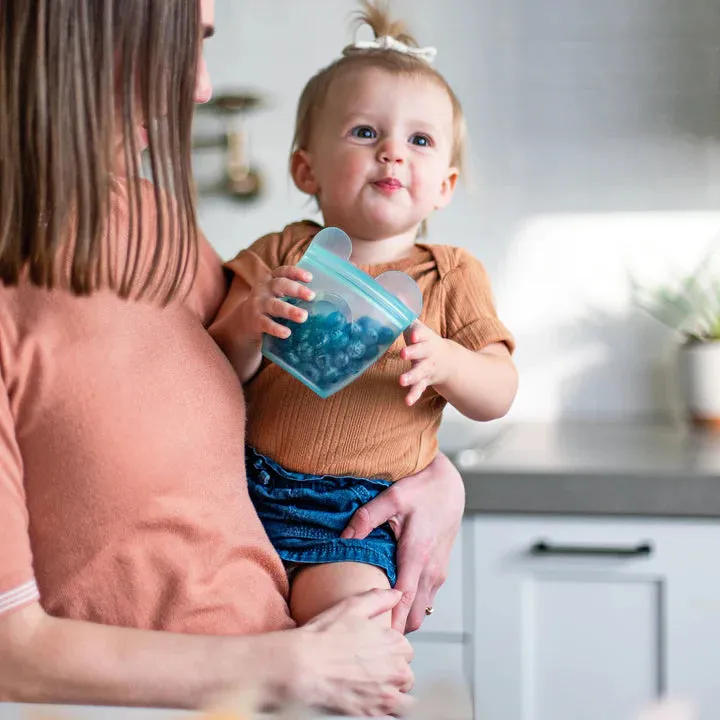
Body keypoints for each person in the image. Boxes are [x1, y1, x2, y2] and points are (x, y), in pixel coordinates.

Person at [0, 0, 465, 715]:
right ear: (71, 39)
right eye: (176, 47)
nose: (201, 87)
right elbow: (12, 652)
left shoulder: (151, 218)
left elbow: (295, 380)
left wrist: (437, 476)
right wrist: (291, 668)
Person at [211, 1, 518, 626]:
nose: (392, 154)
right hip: (244, 493)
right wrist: (248, 322)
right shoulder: (280, 254)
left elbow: (499, 391)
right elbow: (211, 368)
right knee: (242, 640)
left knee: (354, 628)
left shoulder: (452, 274)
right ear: (306, 167)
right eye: (364, 132)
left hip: (357, 515)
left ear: (445, 185)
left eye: (420, 140)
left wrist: (450, 362)